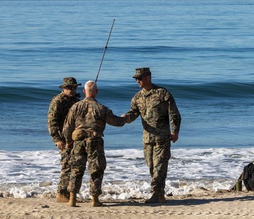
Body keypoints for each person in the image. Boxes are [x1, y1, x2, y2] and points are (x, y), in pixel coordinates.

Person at [62, 80, 129, 207]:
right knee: (96, 169)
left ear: (84, 92)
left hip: (78, 141)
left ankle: (72, 199)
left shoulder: (75, 107)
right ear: (96, 92)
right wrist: (125, 118)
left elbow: (67, 127)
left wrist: (68, 142)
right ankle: (95, 200)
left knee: (76, 169)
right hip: (95, 142)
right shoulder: (101, 108)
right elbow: (116, 122)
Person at [124, 67, 181, 205]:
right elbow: (133, 113)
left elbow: (174, 114)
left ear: (148, 77)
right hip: (147, 138)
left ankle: (156, 193)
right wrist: (124, 119)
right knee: (151, 166)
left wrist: (175, 131)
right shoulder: (137, 97)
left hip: (162, 137)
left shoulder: (162, 93)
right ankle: (160, 193)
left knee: (160, 166)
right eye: (136, 79)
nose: (137, 81)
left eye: (140, 78)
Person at [47, 77, 81, 203]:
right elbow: (52, 121)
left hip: (74, 138)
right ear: (64, 88)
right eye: (69, 88)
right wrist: (57, 139)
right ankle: (62, 193)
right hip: (63, 138)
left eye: (74, 87)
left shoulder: (75, 101)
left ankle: (70, 193)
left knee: (75, 165)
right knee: (67, 165)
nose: (72, 90)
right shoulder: (58, 101)